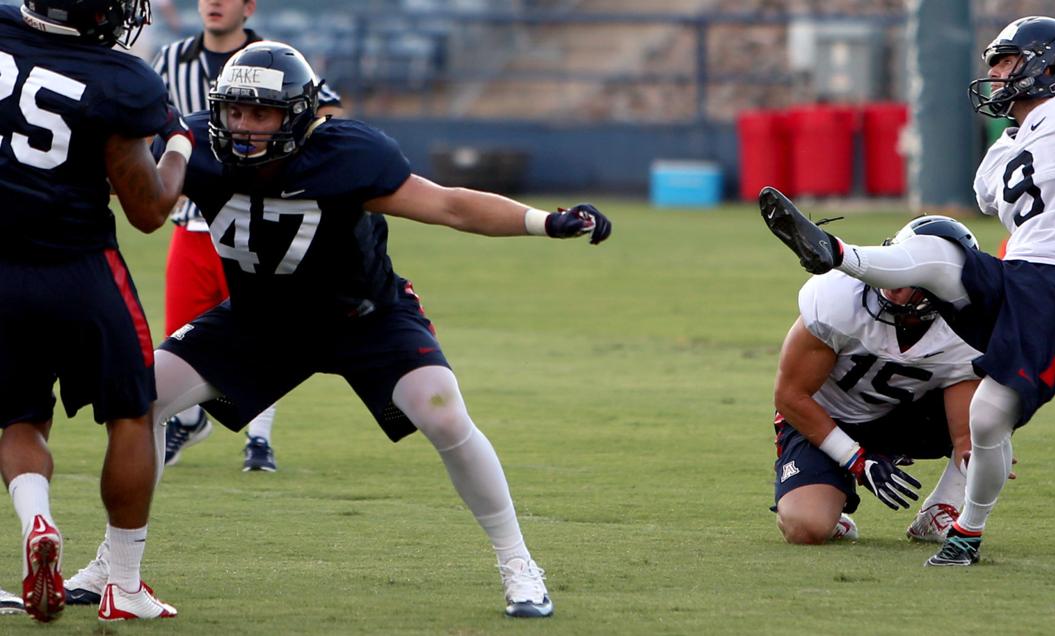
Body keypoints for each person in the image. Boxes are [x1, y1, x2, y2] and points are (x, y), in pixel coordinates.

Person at [66, 40, 613, 618]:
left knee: (445, 414)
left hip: (365, 318)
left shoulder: (349, 154)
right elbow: (107, 182)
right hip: (259, 319)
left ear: (298, 116)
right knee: (142, 399)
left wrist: (544, 222)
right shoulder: (196, 145)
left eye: (261, 113)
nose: (244, 126)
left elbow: (449, 205)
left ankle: (518, 562)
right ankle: (115, 566)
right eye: (236, 110)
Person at [760, 16, 1055, 567]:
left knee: (986, 417)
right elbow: (788, 394)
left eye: (1006, 61)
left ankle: (963, 527)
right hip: (1019, 276)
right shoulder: (1002, 152)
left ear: (1049, 65)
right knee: (940, 256)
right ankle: (836, 255)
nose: (995, 73)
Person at [0, 0, 193, 621]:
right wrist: (179, 144)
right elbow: (149, 210)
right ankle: (125, 585)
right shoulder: (120, 79)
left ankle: (38, 520)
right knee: (132, 414)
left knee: (19, 417)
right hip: (79, 266)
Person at [155, 0, 344, 473]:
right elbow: (148, 121)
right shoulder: (171, 58)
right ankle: (189, 420)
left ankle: (259, 437)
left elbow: (327, 111)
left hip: (259, 217)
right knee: (182, 330)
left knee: (261, 329)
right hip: (194, 219)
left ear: (249, 6)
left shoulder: (275, 57)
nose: (214, 3)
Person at [773, 217, 983, 546]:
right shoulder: (840, 296)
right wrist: (855, 460)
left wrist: (987, 450)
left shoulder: (970, 326)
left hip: (903, 417)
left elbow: (965, 436)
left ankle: (941, 508)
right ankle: (829, 500)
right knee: (806, 527)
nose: (893, 282)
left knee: (998, 402)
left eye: (911, 273)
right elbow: (789, 396)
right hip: (826, 417)